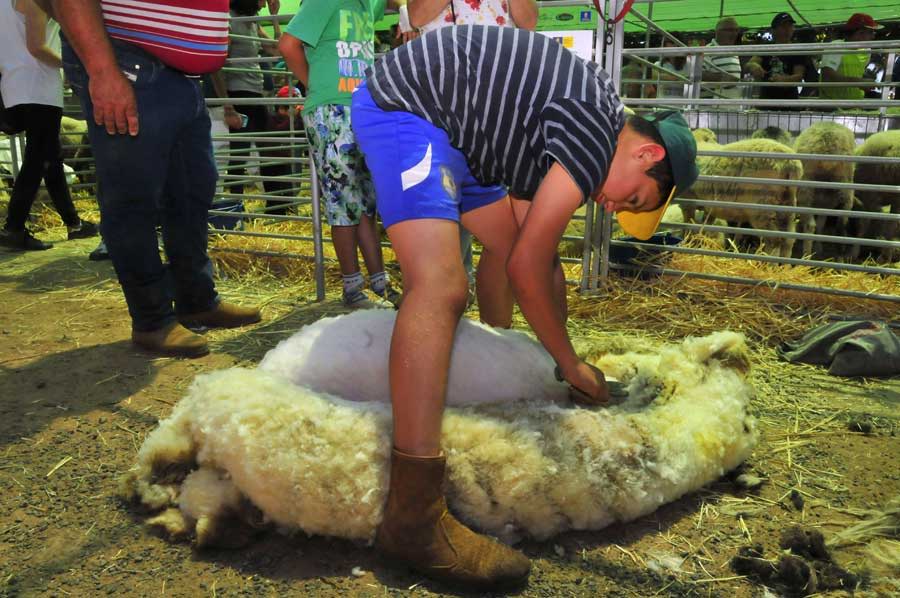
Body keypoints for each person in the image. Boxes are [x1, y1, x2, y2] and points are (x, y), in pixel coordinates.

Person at [351, 25, 699, 590]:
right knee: (441, 286)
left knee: (519, 246)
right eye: (634, 197)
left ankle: (541, 376)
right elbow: (525, 271)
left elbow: (538, 256)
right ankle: (412, 519)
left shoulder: (582, 125)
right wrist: (570, 363)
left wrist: (563, 366)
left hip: (465, 139)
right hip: (409, 107)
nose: (614, 208)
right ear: (646, 152)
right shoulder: (595, 137)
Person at [48, 0, 262, 357]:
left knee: (193, 188)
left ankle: (197, 299)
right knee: (133, 195)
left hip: (180, 76)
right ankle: (152, 319)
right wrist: (103, 70)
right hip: (128, 64)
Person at [407, 0, 538, 301]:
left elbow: (529, 21)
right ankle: (450, 298)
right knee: (444, 213)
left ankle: (484, 317)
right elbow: (417, 15)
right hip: (439, 107)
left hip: (493, 109)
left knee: (501, 234)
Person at [278, 0, 400, 308]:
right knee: (342, 200)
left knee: (366, 199)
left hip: (362, 109)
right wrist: (316, 86)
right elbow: (288, 44)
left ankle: (380, 282)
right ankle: (352, 286)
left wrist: (406, 13)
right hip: (330, 109)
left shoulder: (369, 4)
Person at [0, 0, 97, 250]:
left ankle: (74, 224)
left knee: (51, 158)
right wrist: (72, 66)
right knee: (38, 160)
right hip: (40, 85)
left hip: (15, 84)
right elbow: (37, 46)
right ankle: (13, 228)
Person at [746, 13, 808, 105]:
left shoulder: (797, 49)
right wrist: (754, 66)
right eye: (783, 26)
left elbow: (799, 76)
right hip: (766, 102)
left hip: (789, 103)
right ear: (774, 30)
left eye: (790, 26)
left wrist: (783, 79)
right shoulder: (767, 47)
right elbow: (750, 64)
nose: (787, 29)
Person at [819, 13, 882, 101]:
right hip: (833, 104)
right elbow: (828, 76)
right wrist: (859, 82)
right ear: (860, 33)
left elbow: (856, 74)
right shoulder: (836, 46)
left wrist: (865, 82)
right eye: (871, 32)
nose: (873, 36)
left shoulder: (866, 51)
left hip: (856, 103)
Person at [702, 16, 743, 100]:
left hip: (732, 102)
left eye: (736, 30)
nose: (734, 34)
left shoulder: (733, 52)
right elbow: (698, 74)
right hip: (711, 104)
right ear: (718, 32)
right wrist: (723, 78)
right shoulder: (707, 51)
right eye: (730, 30)